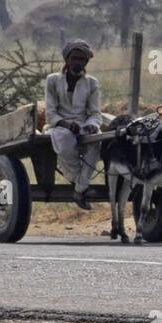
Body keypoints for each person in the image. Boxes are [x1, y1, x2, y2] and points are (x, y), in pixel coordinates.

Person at [46, 39, 103, 209]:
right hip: (60, 126)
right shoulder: (53, 80)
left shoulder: (92, 83)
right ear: (67, 60)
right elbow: (50, 112)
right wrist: (65, 123)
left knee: (96, 141)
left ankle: (79, 189)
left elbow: (95, 112)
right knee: (65, 143)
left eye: (82, 59)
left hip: (84, 124)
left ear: (86, 61)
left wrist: (92, 124)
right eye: (75, 58)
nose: (78, 62)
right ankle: (81, 185)